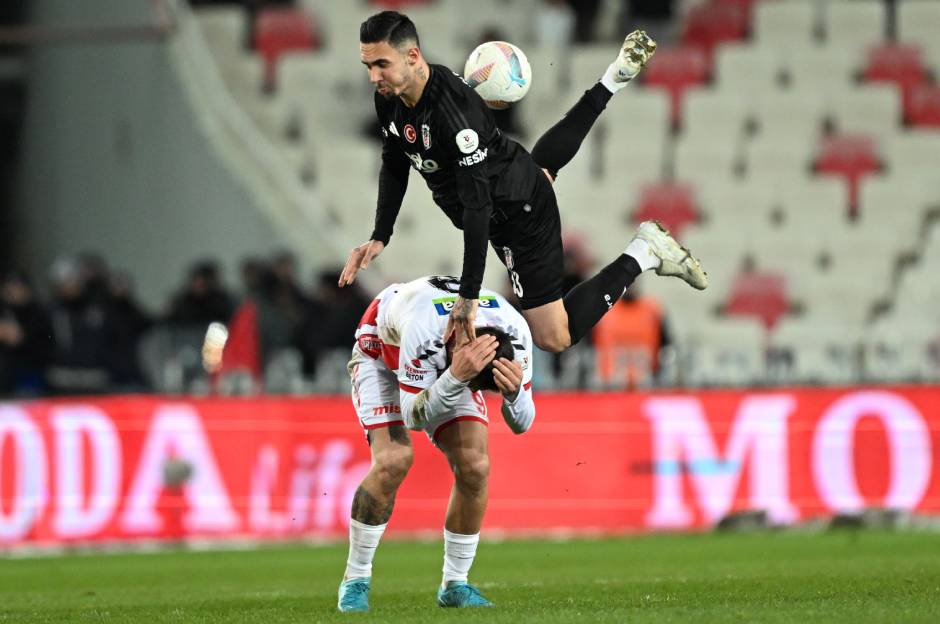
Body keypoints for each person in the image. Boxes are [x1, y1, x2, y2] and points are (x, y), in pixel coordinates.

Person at [339, 11, 707, 356]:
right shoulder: (389, 98)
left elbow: (477, 207)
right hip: (508, 179)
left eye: (381, 65)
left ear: (413, 56)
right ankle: (611, 80)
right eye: (368, 66)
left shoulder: (454, 115)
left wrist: (468, 296)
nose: (373, 76)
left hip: (521, 216)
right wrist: (380, 233)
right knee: (539, 170)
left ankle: (645, 251)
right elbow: (394, 158)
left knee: (554, 336)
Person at [337, 275, 535, 612]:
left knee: (475, 465)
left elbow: (523, 423)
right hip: (384, 350)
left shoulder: (515, 334)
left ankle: (455, 584)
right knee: (393, 460)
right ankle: (355, 580)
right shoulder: (424, 329)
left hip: (450, 360)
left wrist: (514, 393)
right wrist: (456, 377)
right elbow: (413, 416)